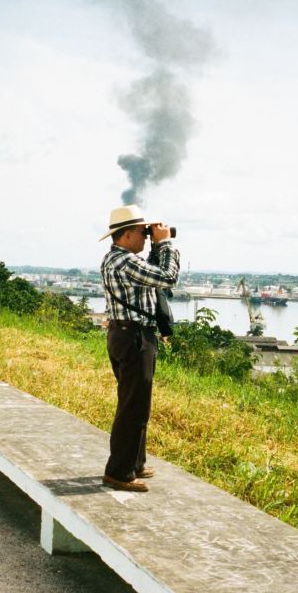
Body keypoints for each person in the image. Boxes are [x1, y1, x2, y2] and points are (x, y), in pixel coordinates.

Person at [99, 204, 180, 492]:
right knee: (133, 405)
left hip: (127, 335)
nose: (147, 237)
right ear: (129, 234)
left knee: (136, 402)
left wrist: (157, 246)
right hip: (134, 338)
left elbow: (152, 272)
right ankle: (119, 472)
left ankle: (135, 462)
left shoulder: (117, 259)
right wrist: (166, 243)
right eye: (143, 233)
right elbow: (168, 277)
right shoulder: (125, 263)